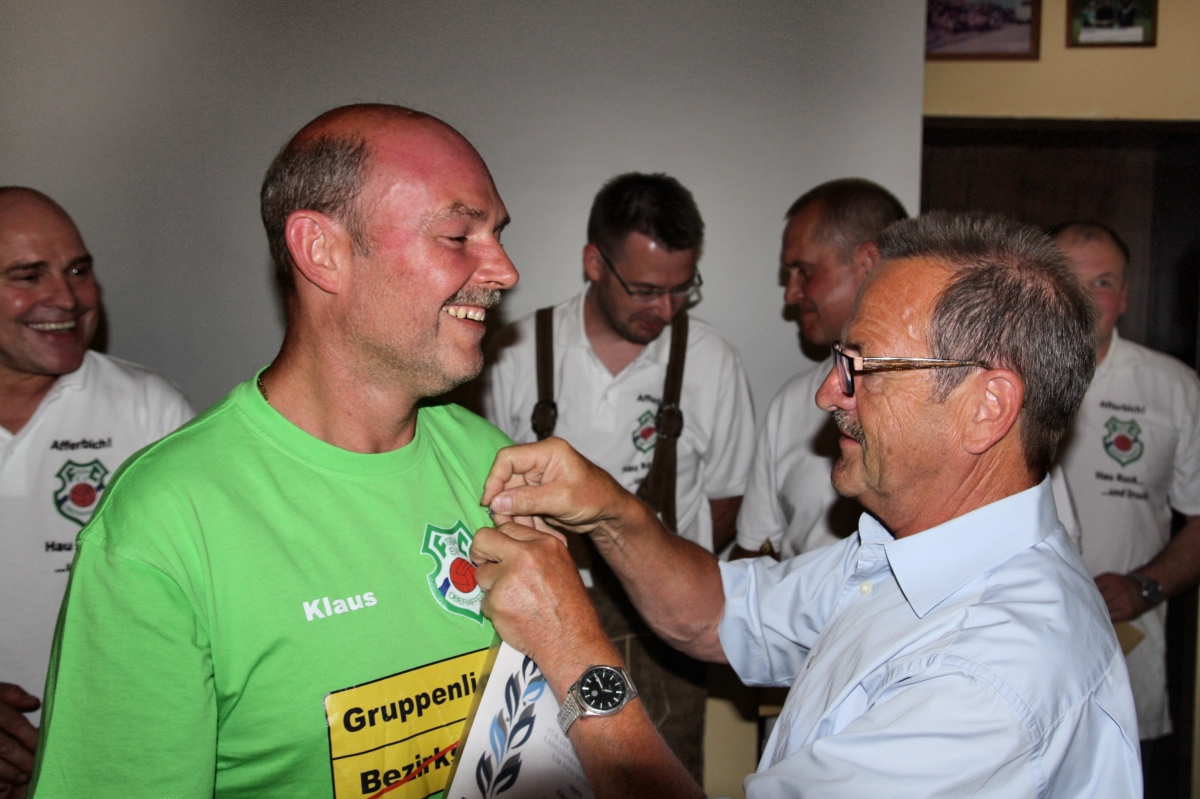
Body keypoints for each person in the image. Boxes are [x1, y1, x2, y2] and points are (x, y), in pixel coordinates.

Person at [471, 213, 1142, 798]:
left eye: (862, 367)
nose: (828, 394)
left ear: (986, 407)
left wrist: (571, 647)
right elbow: (716, 613)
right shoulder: (911, 555)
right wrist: (610, 509)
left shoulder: (988, 677)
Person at [29, 105, 519, 798]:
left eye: (497, 235)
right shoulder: (166, 525)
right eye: (459, 235)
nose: (504, 270)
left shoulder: (493, 463)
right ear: (321, 250)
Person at [481, 172, 754, 777]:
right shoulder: (517, 352)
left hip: (667, 637)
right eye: (646, 290)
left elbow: (725, 503)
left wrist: (651, 573)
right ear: (594, 263)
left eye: (682, 289)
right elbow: (491, 497)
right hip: (544, 614)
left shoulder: (711, 362)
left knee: (665, 778)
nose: (666, 309)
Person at [0, 187, 194, 797]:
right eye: (28, 275)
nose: (67, 298)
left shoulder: (150, 411)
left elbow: (207, 604)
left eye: (78, 270)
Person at [1051, 222, 1200, 748]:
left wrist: (1146, 586)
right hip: (1017, 642)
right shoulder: (994, 378)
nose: (1085, 298)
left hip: (1126, 650)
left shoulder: (1174, 388)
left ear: (1126, 297)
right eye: (1069, 279)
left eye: (1103, 282)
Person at [731, 178, 906, 560]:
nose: (790, 294)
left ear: (869, 264)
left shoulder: (953, 399)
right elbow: (754, 557)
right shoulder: (793, 403)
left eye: (804, 271)